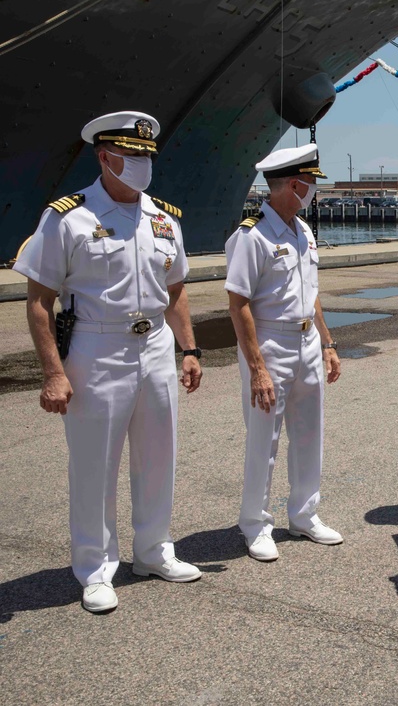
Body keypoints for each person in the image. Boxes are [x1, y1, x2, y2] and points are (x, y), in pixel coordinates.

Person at [13, 111, 204, 613]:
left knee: (159, 453)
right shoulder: (68, 217)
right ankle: (95, 568)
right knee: (95, 464)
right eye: (132, 156)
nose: (142, 165)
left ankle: (154, 550)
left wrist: (188, 349)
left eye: (147, 157)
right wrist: (53, 372)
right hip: (97, 350)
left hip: (157, 346)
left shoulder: (164, 217)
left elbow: (176, 287)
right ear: (105, 157)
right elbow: (38, 299)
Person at [225, 143, 343, 561]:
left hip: (307, 339)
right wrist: (257, 367)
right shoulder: (251, 236)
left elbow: (311, 295)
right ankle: (255, 524)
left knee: (310, 433)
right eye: (310, 183)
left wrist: (327, 343)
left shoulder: (303, 230)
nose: (314, 189)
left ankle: (304, 515)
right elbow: (237, 303)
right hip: (270, 343)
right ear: (294, 184)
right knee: (264, 438)